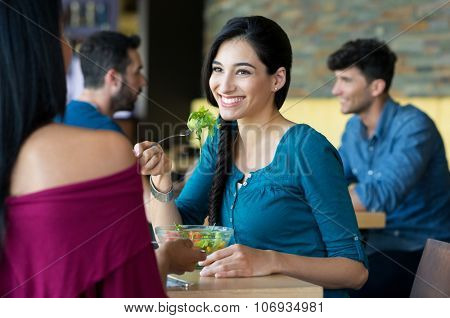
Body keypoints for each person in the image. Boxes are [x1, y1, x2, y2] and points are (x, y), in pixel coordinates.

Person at [135, 16, 369, 298]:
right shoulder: (220, 142)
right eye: (218, 69)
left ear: (277, 79)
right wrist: (161, 179)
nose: (224, 85)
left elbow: (354, 271)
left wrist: (270, 260)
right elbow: (178, 236)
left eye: (243, 72)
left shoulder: (307, 149)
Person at [0, 0, 203, 298]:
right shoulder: (105, 147)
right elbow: (132, 295)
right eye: (138, 71)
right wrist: (165, 258)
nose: (144, 81)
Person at [327, 38, 450, 297]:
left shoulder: (414, 126)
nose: (335, 90)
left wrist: (314, 199)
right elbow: (330, 177)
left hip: (422, 250)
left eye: (345, 80)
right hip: (378, 244)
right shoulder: (354, 129)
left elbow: (381, 194)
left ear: (376, 87)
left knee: (342, 292)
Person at [57, 31, 145, 133]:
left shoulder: (57, 120)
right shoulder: (109, 133)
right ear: (113, 78)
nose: (144, 81)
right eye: (137, 72)